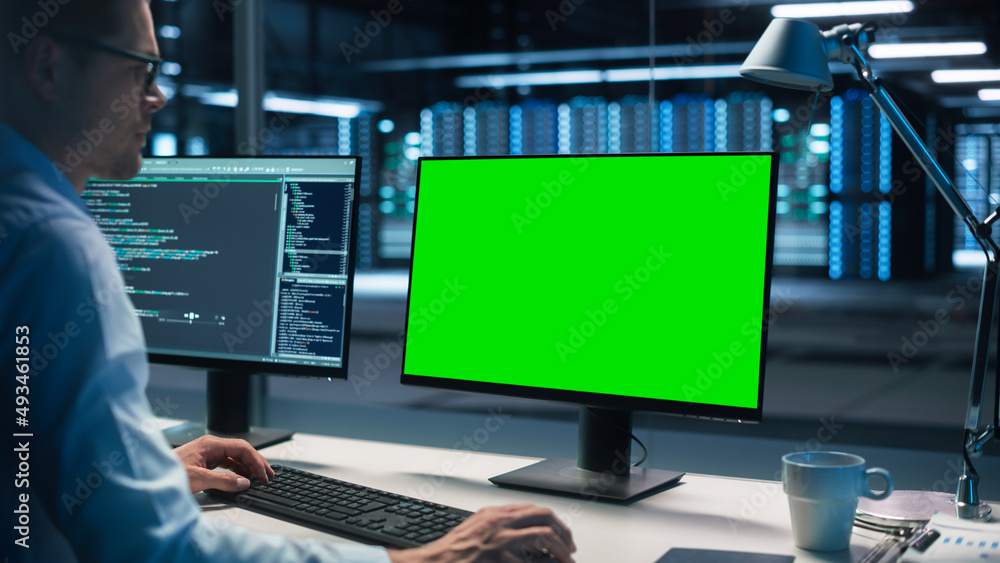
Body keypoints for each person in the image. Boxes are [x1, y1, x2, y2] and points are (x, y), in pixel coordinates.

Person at [0, 0, 577, 561]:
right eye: (140, 68)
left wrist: (135, 471)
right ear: (49, 67)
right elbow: (157, 550)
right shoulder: (51, 245)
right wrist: (418, 562)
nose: (159, 95)